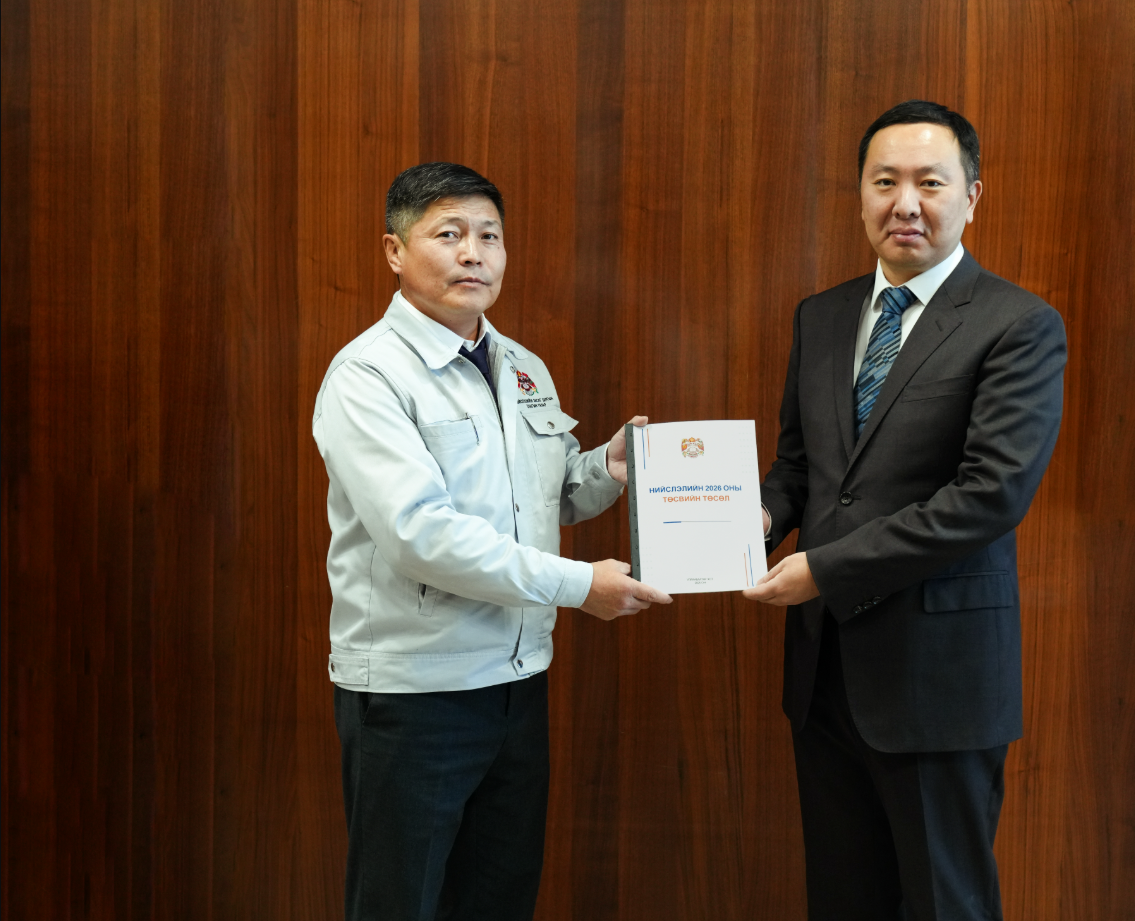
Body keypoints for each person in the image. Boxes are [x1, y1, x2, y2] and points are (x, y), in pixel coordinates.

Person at [312, 162, 671, 921]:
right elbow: (420, 535)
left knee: (498, 899)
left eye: (489, 235)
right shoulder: (367, 375)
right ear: (394, 251)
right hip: (415, 695)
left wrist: (606, 467)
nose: (473, 253)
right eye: (448, 234)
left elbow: (541, 499)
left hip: (516, 684)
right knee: (400, 904)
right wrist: (579, 585)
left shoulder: (521, 367)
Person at [745, 101, 1067, 920]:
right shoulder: (821, 315)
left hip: (937, 680)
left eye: (930, 182)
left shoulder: (1016, 324)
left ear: (971, 196)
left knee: (942, 902)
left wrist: (825, 568)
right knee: (842, 899)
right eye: (884, 181)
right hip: (823, 676)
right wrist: (751, 519)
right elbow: (800, 467)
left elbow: (989, 495)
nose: (905, 203)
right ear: (860, 194)